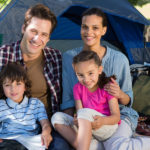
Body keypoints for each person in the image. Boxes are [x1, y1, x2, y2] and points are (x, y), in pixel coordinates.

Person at [53, 7, 150, 150]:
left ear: (104, 30)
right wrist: (74, 123)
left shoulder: (119, 59)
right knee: (57, 117)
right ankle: (93, 145)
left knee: (116, 146)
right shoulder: (69, 58)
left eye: (95, 28)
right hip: (85, 118)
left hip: (117, 117)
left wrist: (119, 94)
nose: (89, 32)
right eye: (84, 27)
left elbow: (128, 100)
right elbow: (68, 100)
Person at [0, 4, 70, 150]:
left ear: (49, 37)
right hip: (11, 128)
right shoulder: (3, 56)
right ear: (23, 28)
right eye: (33, 31)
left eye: (44, 34)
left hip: (48, 126)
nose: (37, 39)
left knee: (61, 147)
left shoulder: (56, 57)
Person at [52, 50, 121, 150]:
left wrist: (102, 121)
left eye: (90, 73)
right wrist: (76, 121)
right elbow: (80, 112)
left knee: (84, 113)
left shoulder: (108, 87)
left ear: (99, 70)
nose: (86, 79)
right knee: (57, 117)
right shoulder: (77, 88)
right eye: (80, 75)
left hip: (106, 127)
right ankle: (91, 146)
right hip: (87, 127)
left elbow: (116, 117)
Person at [0, 62, 52, 150]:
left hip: (29, 141)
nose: (13, 89)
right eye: (8, 85)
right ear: (2, 88)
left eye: (18, 84)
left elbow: (45, 124)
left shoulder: (35, 103)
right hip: (7, 141)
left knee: (40, 142)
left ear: (25, 86)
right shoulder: (1, 104)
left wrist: (46, 132)